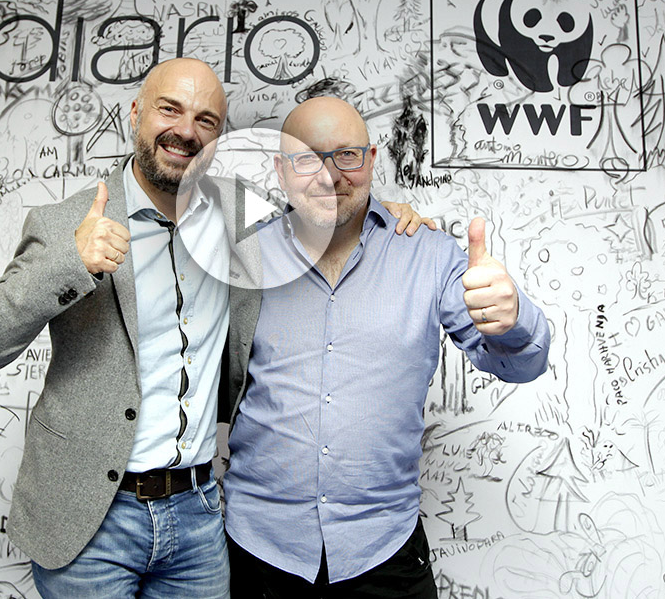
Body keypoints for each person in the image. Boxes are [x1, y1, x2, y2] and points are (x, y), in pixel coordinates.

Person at [0, 60, 431, 598]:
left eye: (206, 120)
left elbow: (326, 200)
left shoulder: (239, 219)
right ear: (135, 113)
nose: (186, 131)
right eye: (169, 109)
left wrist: (382, 213)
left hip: (199, 519)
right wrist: (70, 262)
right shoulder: (68, 224)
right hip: (91, 519)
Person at [223, 96, 552, 598]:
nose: (329, 175)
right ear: (281, 170)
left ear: (373, 160)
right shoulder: (244, 258)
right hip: (258, 550)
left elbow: (520, 365)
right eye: (307, 158)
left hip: (383, 549)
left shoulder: (430, 254)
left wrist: (512, 321)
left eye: (347, 155)